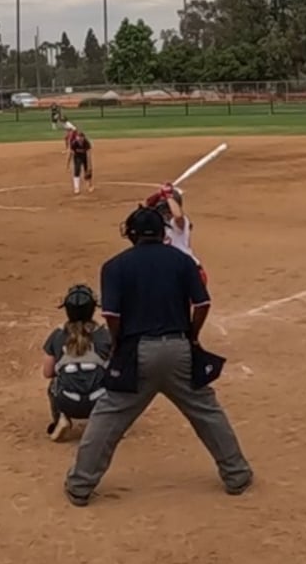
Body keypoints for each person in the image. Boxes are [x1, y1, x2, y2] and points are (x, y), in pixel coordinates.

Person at [64, 205, 252, 506]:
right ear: (162, 232)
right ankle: (237, 475)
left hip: (137, 352)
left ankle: (80, 486)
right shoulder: (182, 260)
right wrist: (192, 335)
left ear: (132, 234)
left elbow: (112, 315)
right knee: (207, 412)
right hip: (179, 349)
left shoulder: (115, 266)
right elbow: (202, 304)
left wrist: (119, 343)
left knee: (108, 416)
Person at [42, 284, 112, 441]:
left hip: (68, 402)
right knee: (112, 376)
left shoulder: (57, 335)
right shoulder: (105, 334)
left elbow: (47, 372)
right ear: (93, 309)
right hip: (98, 402)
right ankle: (108, 421)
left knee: (54, 382)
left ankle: (61, 418)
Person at [64, 122, 94, 195]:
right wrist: (67, 164)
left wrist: (89, 166)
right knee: (77, 169)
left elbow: (88, 155)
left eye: (81, 138)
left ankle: (90, 185)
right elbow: (70, 154)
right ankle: (76, 187)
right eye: (78, 138)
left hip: (85, 157)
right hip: (77, 157)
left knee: (88, 171)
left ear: (83, 138)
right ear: (77, 138)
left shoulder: (86, 143)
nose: (80, 139)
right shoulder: (74, 143)